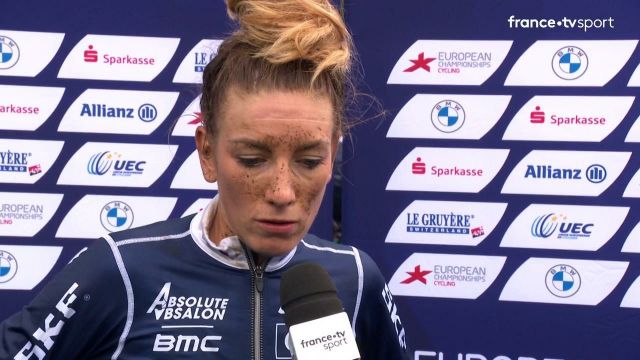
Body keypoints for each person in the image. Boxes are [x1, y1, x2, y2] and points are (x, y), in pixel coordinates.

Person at [0, 0, 409, 358]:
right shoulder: (120, 271)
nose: (283, 192)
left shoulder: (355, 279)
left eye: (309, 160)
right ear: (207, 153)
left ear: (333, 155)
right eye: (252, 159)